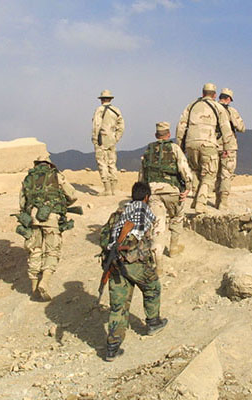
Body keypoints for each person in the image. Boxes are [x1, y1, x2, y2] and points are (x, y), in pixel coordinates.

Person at [105, 182, 167, 361]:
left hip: (115, 263)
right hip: (134, 262)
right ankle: (153, 322)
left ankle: (112, 347)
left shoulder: (119, 212)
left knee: (118, 305)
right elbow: (144, 235)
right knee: (152, 287)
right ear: (147, 197)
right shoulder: (143, 210)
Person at [18, 154, 77, 301]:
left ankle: (33, 286)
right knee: (52, 251)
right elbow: (73, 195)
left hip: (33, 218)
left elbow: (22, 202)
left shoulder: (28, 178)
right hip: (51, 218)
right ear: (49, 164)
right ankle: (44, 281)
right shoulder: (56, 175)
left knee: (35, 250)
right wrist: (61, 205)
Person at [139, 121, 193, 270]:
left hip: (153, 193)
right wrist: (188, 188)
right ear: (169, 134)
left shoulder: (148, 150)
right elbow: (184, 169)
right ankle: (174, 248)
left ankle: (158, 263)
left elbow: (142, 175)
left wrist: (143, 194)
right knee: (177, 217)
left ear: (156, 135)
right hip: (172, 191)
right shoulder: (174, 148)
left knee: (158, 226)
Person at [176, 83, 232, 213]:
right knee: (209, 174)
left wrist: (180, 146)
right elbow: (226, 129)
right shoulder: (218, 107)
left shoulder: (191, 106)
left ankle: (195, 198)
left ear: (202, 93)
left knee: (195, 171)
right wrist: (226, 148)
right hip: (208, 143)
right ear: (214, 95)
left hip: (191, 143)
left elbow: (181, 126)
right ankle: (201, 204)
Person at [216, 88, 246, 210]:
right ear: (228, 99)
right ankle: (222, 203)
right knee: (226, 174)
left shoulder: (212, 108)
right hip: (228, 146)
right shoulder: (230, 111)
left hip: (212, 145)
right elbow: (241, 127)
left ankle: (212, 200)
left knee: (213, 174)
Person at [91, 89, 125, 196]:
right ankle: (114, 189)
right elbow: (121, 126)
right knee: (112, 163)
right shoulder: (116, 110)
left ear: (101, 100)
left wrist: (95, 139)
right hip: (112, 139)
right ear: (110, 99)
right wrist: (116, 137)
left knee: (102, 163)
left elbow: (96, 125)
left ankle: (107, 189)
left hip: (102, 138)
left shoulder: (99, 110)